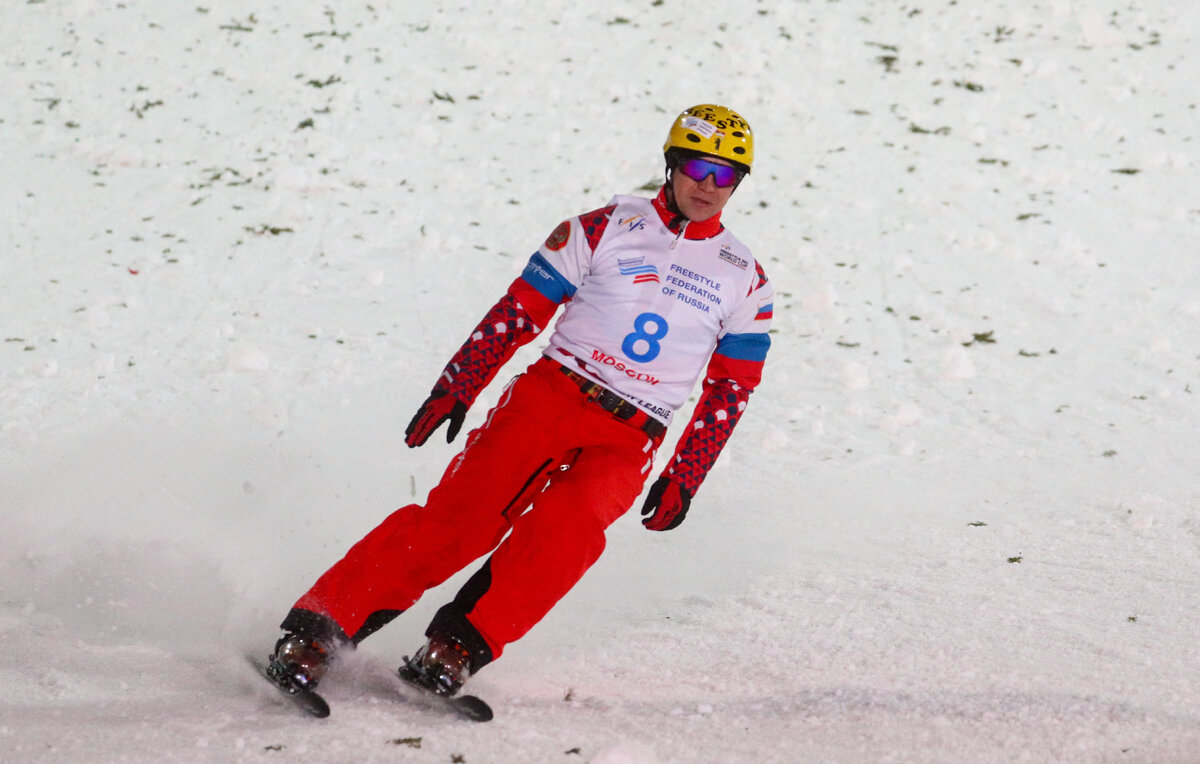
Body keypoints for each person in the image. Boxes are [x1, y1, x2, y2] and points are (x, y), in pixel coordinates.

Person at [265, 104, 774, 700]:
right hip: (552, 396)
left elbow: (730, 390)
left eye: (727, 176)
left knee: (564, 541)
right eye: (698, 167)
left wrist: (687, 474)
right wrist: (461, 380)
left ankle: (454, 648)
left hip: (631, 435)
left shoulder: (746, 278)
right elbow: (519, 311)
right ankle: (316, 634)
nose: (709, 187)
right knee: (458, 523)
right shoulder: (603, 226)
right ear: (670, 164)